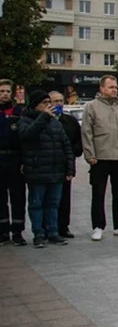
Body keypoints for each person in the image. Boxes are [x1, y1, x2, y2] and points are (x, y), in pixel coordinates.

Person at [81, 75, 118, 240]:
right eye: (111, 87)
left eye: (116, 87)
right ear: (102, 88)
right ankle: (98, 226)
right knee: (98, 193)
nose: (114, 90)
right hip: (100, 157)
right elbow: (86, 132)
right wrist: (89, 154)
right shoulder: (91, 107)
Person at [19, 91, 75, 247]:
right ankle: (38, 233)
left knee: (53, 204)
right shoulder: (26, 120)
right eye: (45, 102)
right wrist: (43, 117)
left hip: (56, 171)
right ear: (36, 104)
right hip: (37, 170)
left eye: (49, 102)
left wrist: (70, 169)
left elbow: (66, 146)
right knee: (36, 204)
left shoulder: (55, 122)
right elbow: (27, 135)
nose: (49, 105)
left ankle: (53, 232)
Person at [48, 91, 82, 238]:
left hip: (66, 164)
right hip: (48, 165)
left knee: (64, 197)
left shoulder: (70, 121)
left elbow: (77, 142)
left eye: (61, 101)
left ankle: (63, 226)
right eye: (55, 101)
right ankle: (48, 227)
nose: (59, 104)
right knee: (49, 198)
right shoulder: (44, 120)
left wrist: (71, 153)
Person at [0, 79, 27, 246]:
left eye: (7, 91)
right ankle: (2, 231)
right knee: (0, 197)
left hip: (16, 159)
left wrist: (24, 161)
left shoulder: (19, 112)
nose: (5, 94)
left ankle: (17, 231)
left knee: (18, 197)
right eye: (2, 91)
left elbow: (24, 139)